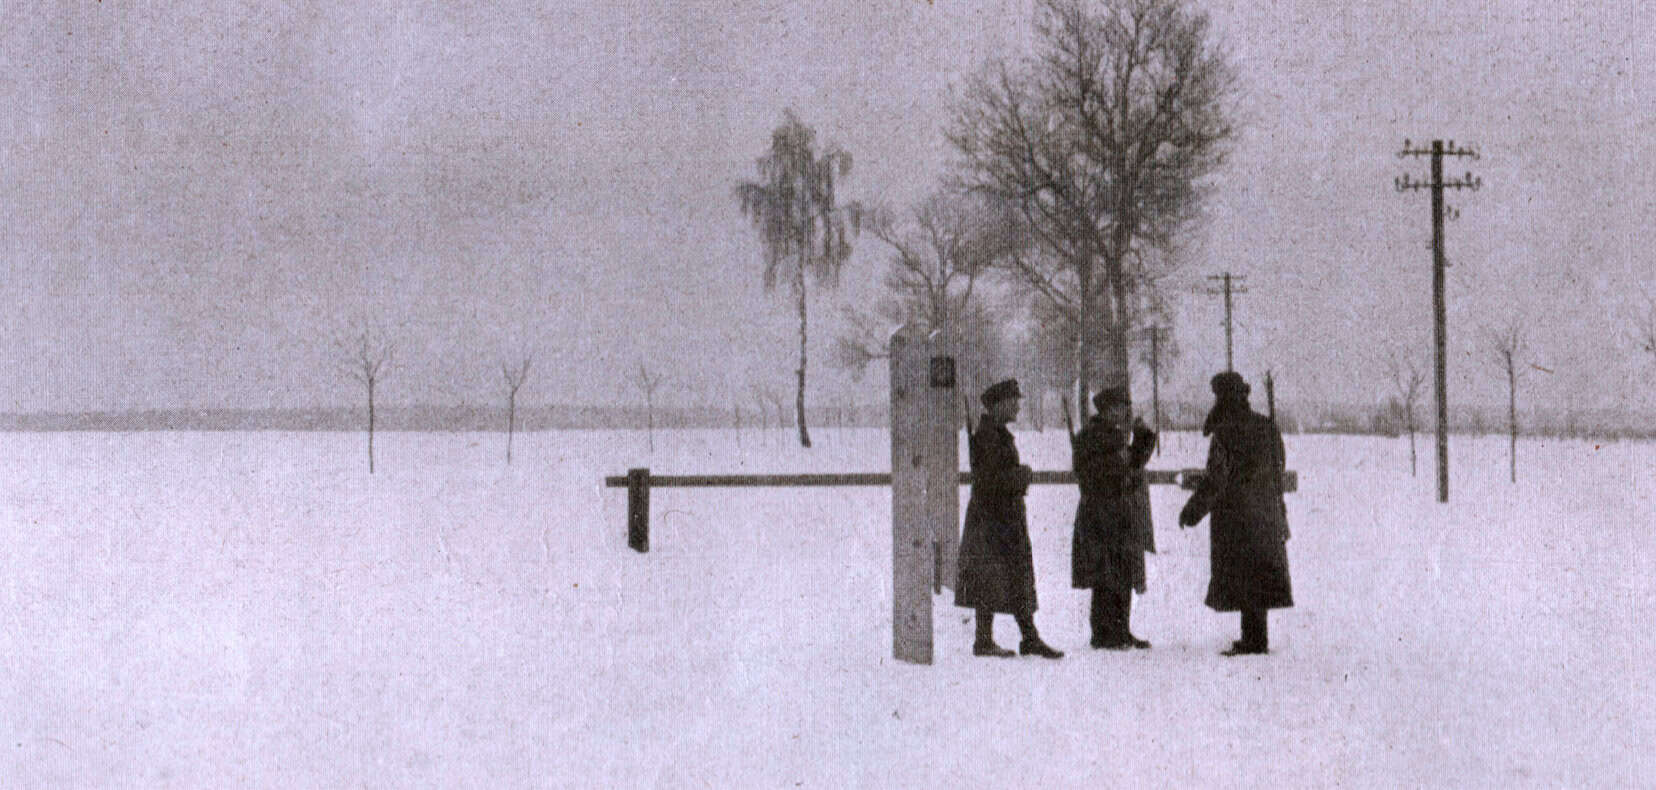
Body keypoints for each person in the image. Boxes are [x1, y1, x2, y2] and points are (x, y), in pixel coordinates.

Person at [1177, 372, 1294, 656]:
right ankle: (1256, 638)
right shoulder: (1267, 426)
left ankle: (1252, 641)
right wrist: (1280, 512)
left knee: (1244, 575)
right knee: (1259, 575)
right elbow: (1278, 470)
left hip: (1236, 516)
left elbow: (1217, 479)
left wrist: (1192, 511)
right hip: (1265, 513)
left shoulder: (1224, 432)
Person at [956, 378, 1063, 659]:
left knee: (1010, 576)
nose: (1017, 405)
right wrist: (1022, 475)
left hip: (999, 518)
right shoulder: (989, 436)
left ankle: (1025, 638)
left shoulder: (994, 433)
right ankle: (991, 640)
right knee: (993, 577)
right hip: (993, 519)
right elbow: (990, 481)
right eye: (1013, 401)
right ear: (999, 404)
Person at [1071, 385, 1158, 649]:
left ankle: (1121, 630)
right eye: (1122, 407)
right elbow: (1118, 470)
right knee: (1106, 576)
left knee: (1122, 573)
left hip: (1117, 513)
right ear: (1109, 410)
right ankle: (1104, 634)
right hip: (1101, 514)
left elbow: (1131, 465)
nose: (1125, 412)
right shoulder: (1095, 437)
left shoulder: (1112, 436)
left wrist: (1143, 437)